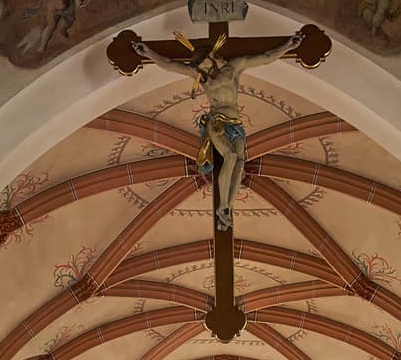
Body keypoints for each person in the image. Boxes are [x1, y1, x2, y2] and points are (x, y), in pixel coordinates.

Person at [127, 29, 316, 231]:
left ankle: (228, 206)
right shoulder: (202, 75)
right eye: (200, 68)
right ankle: (223, 206)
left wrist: (288, 46)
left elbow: (265, 58)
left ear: (213, 56)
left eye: (205, 65)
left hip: (235, 122)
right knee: (230, 156)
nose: (203, 71)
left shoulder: (234, 67)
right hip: (216, 121)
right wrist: (148, 53)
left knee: (241, 161)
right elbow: (172, 65)